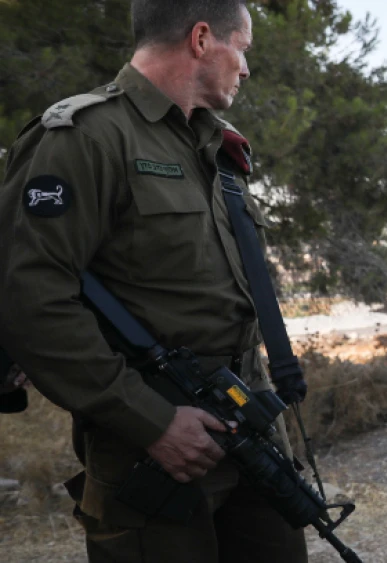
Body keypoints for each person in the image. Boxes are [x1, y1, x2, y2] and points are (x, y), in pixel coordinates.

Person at [0, 1, 309, 561]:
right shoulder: (85, 137)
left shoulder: (216, 146)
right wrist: (152, 422)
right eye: (242, 48)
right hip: (150, 442)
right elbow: (31, 301)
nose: (246, 68)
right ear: (200, 39)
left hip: (248, 422)